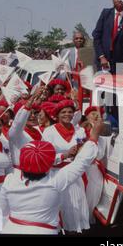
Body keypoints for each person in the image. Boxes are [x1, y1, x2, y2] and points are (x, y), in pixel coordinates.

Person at [0, 122, 102, 234]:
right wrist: (93, 138)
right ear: (49, 165)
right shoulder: (56, 181)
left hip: (11, 230)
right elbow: (81, 162)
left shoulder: (10, 180)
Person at [42, 100, 89, 234]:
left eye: (70, 112)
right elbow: (46, 157)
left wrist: (80, 153)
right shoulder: (49, 132)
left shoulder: (79, 131)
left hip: (74, 175)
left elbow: (86, 150)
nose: (67, 114)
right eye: (63, 112)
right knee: (58, 209)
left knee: (75, 208)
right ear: (57, 115)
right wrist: (64, 155)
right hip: (57, 174)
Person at [8, 87, 44, 169]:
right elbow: (19, 121)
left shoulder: (39, 131)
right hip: (19, 174)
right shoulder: (15, 132)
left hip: (38, 173)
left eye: (35, 113)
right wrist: (33, 97)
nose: (33, 116)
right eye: (29, 113)